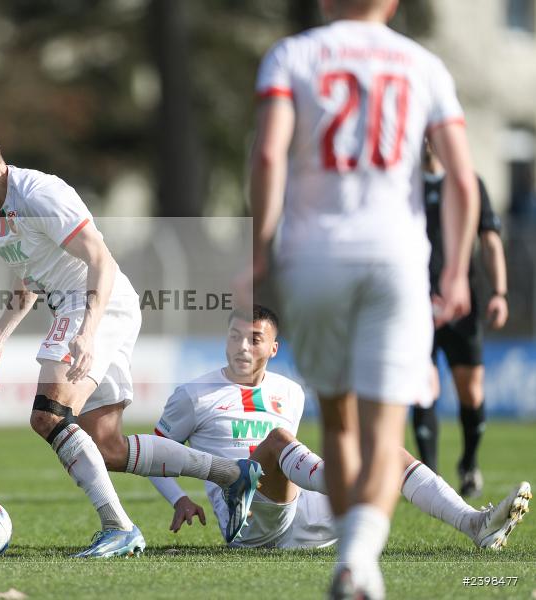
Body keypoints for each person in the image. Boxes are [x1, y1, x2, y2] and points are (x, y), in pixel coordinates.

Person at [0, 115, 262, 557]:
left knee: (48, 416)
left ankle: (119, 527)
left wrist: (87, 329)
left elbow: (100, 259)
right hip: (78, 309)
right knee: (107, 447)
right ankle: (233, 475)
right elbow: (28, 280)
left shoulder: (40, 194)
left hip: (94, 305)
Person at [249, 0, 480, 597]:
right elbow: (460, 177)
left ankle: (353, 564)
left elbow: (270, 154)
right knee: (387, 429)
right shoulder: (422, 63)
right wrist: (455, 272)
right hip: (396, 259)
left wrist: (258, 252)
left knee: (339, 421)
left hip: (314, 257)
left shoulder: (292, 54)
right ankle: (356, 561)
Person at [149, 306, 530, 552]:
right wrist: (180, 498)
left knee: (388, 453)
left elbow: (291, 467)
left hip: (300, 515)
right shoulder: (193, 394)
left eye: (254, 339)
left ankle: (474, 523)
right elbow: (156, 447)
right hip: (248, 524)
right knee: (278, 441)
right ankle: (348, 483)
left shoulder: (290, 392)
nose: (242, 348)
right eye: (235, 337)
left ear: (274, 349)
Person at [413, 143, 508, 497]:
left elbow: (491, 241)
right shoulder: (404, 184)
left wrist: (500, 292)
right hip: (416, 305)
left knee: (471, 391)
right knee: (424, 390)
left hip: (462, 305)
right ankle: (430, 481)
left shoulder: (468, 182)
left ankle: (469, 462)